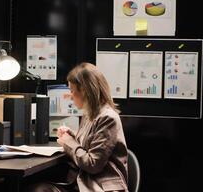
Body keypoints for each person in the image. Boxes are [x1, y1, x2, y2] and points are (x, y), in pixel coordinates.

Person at [27, 62, 128, 192]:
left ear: (84, 91)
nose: (70, 96)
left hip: (99, 186)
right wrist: (71, 134)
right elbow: (89, 142)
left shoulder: (108, 117)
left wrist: (68, 142)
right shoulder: (90, 113)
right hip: (82, 182)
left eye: (72, 90)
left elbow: (92, 164)